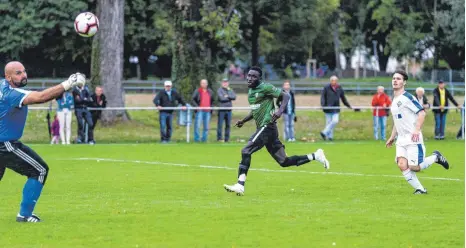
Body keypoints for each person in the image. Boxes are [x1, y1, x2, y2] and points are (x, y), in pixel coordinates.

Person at [223, 66, 329, 196]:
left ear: (259, 78)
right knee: (284, 162)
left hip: (267, 126)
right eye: (249, 75)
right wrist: (244, 121)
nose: (250, 78)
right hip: (268, 130)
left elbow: (286, 96)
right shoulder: (251, 91)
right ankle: (315, 156)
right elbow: (256, 110)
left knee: (246, 151)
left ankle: (240, 185)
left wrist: (279, 111)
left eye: (254, 76)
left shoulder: (265, 87)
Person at [0, 61, 85, 222]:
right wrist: (69, 83)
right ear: (8, 76)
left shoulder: (3, 86)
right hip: (5, 145)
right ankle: (24, 216)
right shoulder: (11, 93)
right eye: (18, 73)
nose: (23, 75)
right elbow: (41, 97)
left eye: (24, 71)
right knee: (39, 170)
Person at [386, 70, 449, 195]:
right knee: (402, 164)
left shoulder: (408, 97)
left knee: (415, 167)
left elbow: (422, 113)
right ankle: (421, 189)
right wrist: (392, 137)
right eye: (394, 78)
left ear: (404, 82)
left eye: (398, 79)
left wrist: (416, 129)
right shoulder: (394, 100)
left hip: (413, 138)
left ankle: (436, 157)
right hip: (401, 139)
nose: (395, 80)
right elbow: (397, 121)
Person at [320, 75, 352, 141]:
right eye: (332, 80)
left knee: (335, 121)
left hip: (336, 108)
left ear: (337, 81)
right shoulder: (326, 87)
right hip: (328, 109)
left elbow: (343, 98)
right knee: (328, 123)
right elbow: (323, 96)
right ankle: (330, 137)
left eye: (335, 80)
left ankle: (324, 132)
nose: (333, 82)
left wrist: (348, 105)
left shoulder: (339, 88)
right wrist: (323, 105)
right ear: (330, 81)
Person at [216, 78, 236, 142]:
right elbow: (221, 99)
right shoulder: (219, 90)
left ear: (228, 83)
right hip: (222, 110)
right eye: (224, 82)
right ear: (222, 83)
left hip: (229, 110)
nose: (225, 83)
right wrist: (229, 97)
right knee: (220, 125)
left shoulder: (230, 90)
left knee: (228, 125)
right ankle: (219, 138)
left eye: (226, 82)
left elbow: (234, 97)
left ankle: (227, 139)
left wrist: (227, 96)